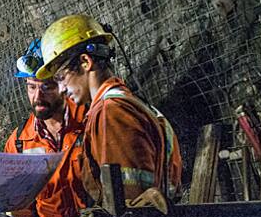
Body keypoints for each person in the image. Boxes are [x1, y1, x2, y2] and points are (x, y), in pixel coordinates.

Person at [35, 13, 182, 203]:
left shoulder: (111, 112)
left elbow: (129, 202)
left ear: (85, 62)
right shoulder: (128, 103)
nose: (62, 89)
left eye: (61, 77)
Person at [2, 38, 88, 217]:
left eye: (46, 87)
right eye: (31, 87)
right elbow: (18, 212)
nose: (37, 96)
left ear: (63, 82)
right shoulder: (20, 142)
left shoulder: (92, 121)